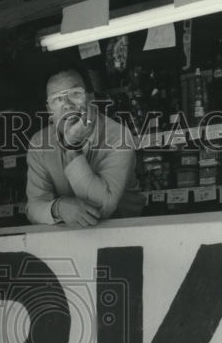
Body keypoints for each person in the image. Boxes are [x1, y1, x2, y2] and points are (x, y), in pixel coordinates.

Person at [26, 68, 144, 227]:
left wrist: (71, 147)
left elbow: (103, 207)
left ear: (91, 98)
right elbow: (33, 207)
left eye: (75, 94)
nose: (67, 105)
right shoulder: (39, 143)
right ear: (49, 111)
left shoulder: (118, 136)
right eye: (57, 100)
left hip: (127, 232)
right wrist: (58, 208)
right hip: (68, 239)